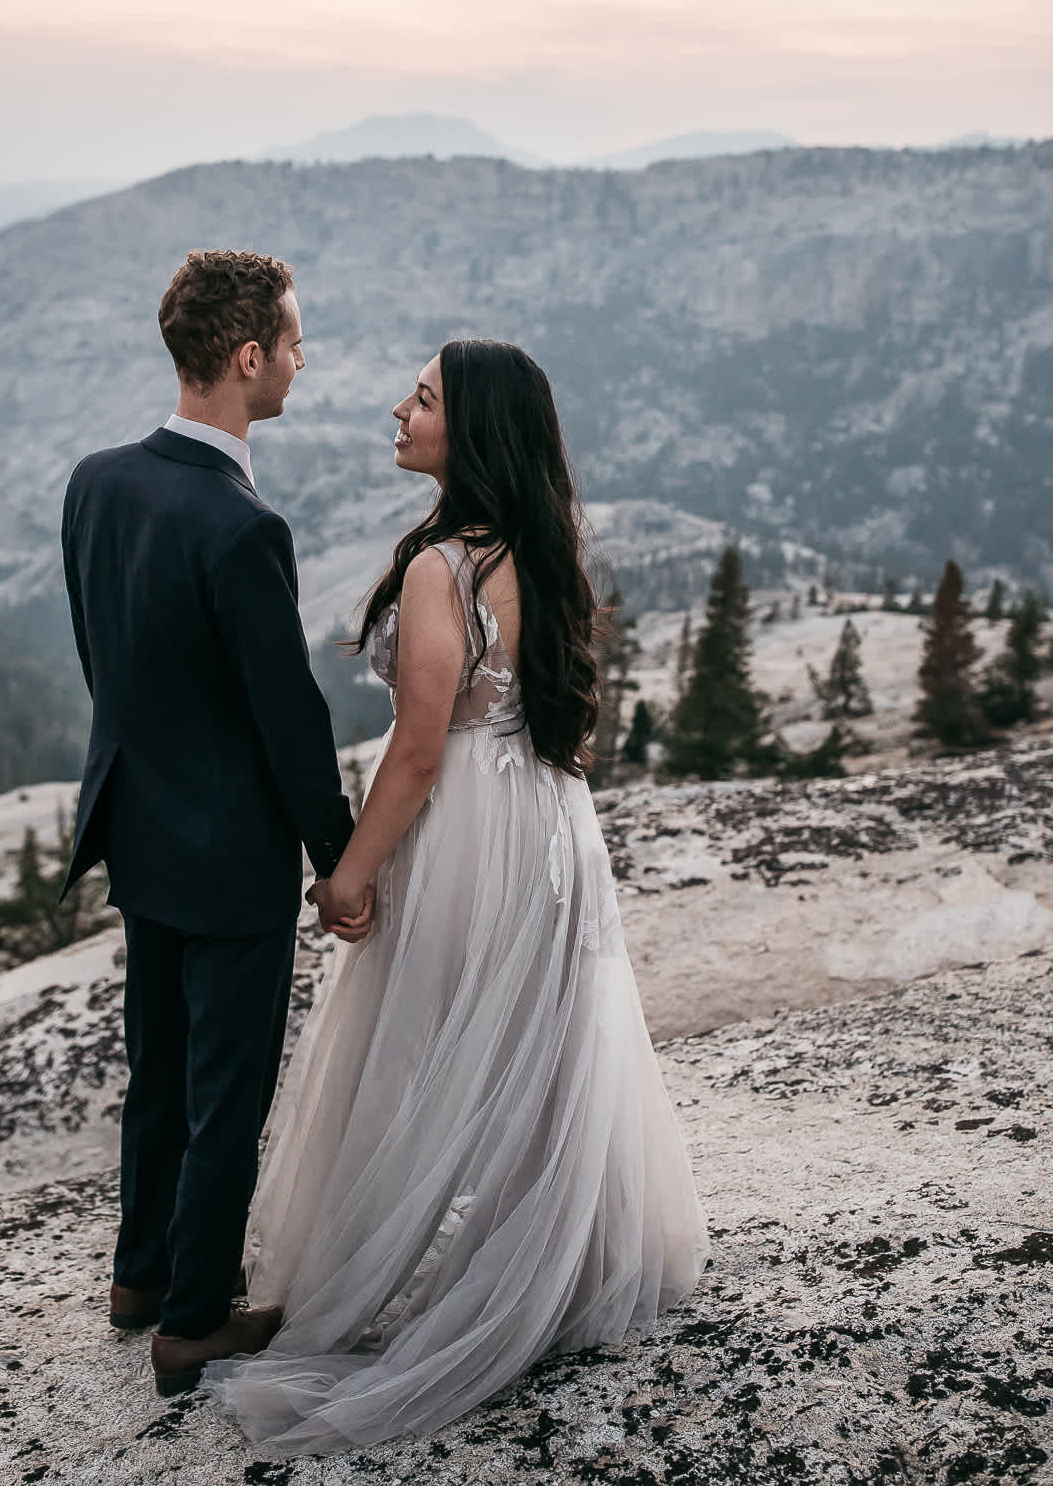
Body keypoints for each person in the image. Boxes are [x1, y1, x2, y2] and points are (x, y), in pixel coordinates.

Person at [204, 338, 709, 1453]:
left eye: (422, 398)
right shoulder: (537, 548)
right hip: (548, 817)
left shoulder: (444, 569)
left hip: (472, 827)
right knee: (538, 1044)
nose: (398, 407)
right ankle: (554, 1263)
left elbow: (421, 749)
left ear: (468, 428)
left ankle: (409, 1281)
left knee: (417, 1047)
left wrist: (349, 872)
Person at [60, 249, 363, 1397]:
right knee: (226, 1089)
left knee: (160, 1071)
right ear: (247, 359)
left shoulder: (97, 483)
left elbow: (110, 670)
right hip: (231, 855)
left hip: (140, 833)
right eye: (292, 340)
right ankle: (192, 1319)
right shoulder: (244, 528)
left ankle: (138, 1275)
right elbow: (288, 723)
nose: (301, 357)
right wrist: (341, 860)